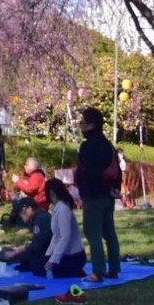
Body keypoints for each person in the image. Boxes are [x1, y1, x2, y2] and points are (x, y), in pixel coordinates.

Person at [74, 107, 120, 282]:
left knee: (92, 232)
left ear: (91, 124)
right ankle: (114, 268)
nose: (80, 126)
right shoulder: (108, 145)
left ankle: (98, 271)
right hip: (108, 194)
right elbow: (116, 170)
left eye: (83, 123)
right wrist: (114, 187)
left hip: (93, 195)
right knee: (109, 232)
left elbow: (86, 172)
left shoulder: (87, 146)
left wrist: (80, 186)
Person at [43, 178, 86, 278]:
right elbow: (56, 236)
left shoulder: (63, 210)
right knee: (36, 262)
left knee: (38, 267)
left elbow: (64, 238)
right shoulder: (58, 208)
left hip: (73, 257)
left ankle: (74, 270)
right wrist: (48, 255)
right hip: (67, 254)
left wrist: (52, 261)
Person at [1, 196, 52, 276]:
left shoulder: (40, 219)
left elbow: (37, 246)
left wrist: (17, 253)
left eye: (21, 212)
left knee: (19, 259)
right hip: (46, 251)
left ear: (28, 209)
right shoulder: (40, 217)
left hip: (48, 255)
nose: (21, 216)